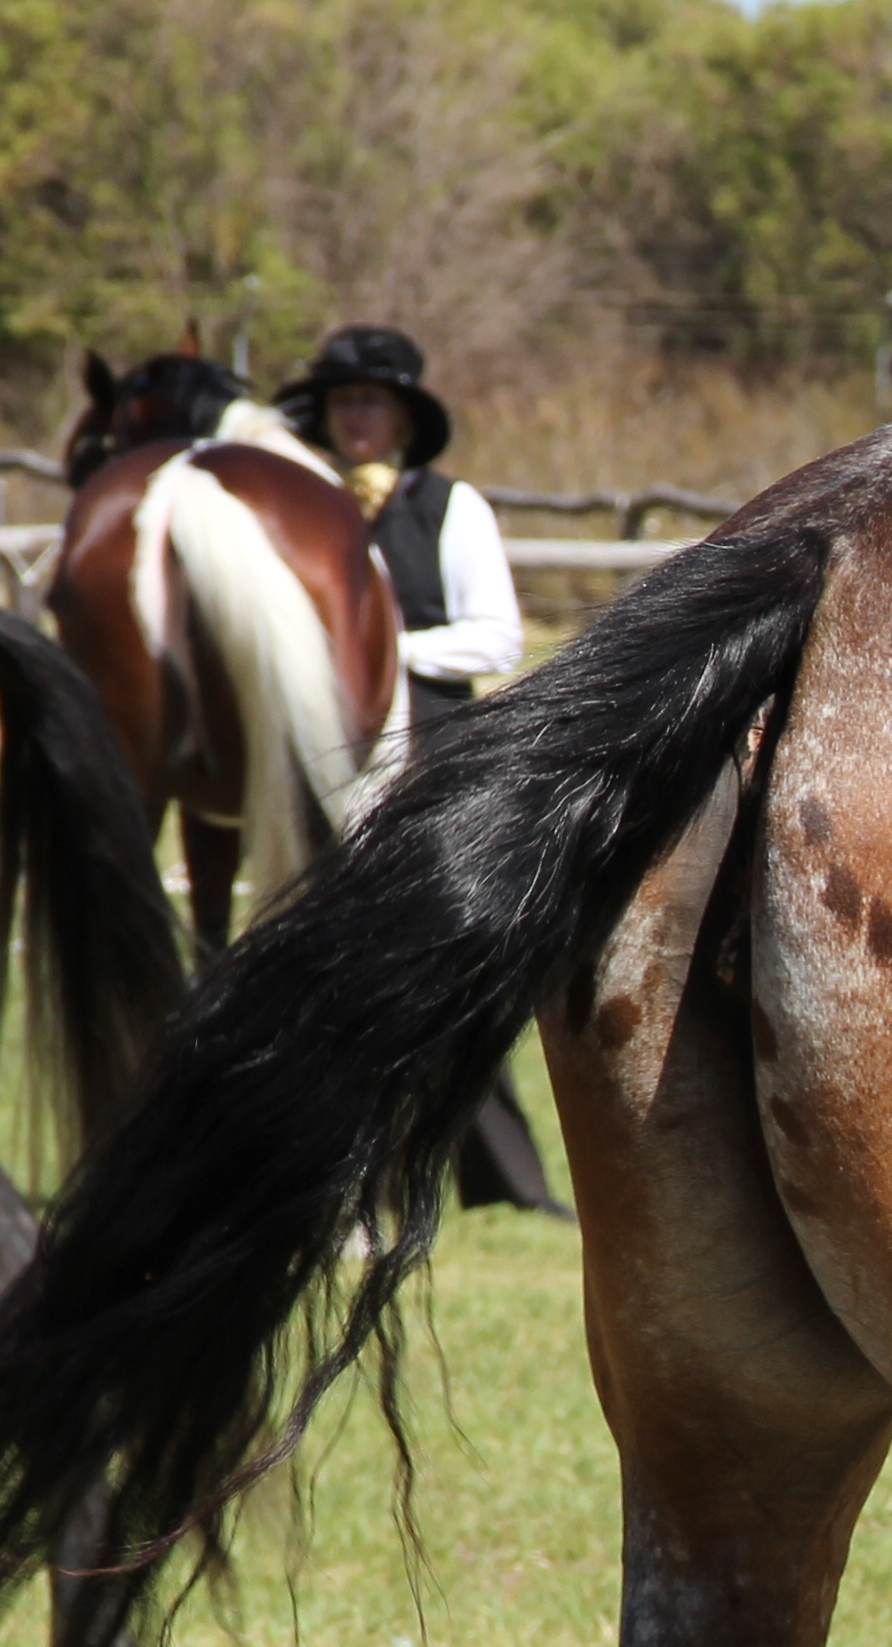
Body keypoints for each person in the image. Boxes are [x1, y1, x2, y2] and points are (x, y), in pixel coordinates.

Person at [273, 323, 566, 1218]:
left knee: (452, 964)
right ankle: (330, 1177)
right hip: (314, 751)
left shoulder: (452, 508)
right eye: (342, 402)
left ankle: (504, 1183)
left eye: (371, 401)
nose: (355, 417)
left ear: (402, 416)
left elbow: (495, 636)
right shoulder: (294, 505)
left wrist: (379, 651)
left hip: (430, 752)